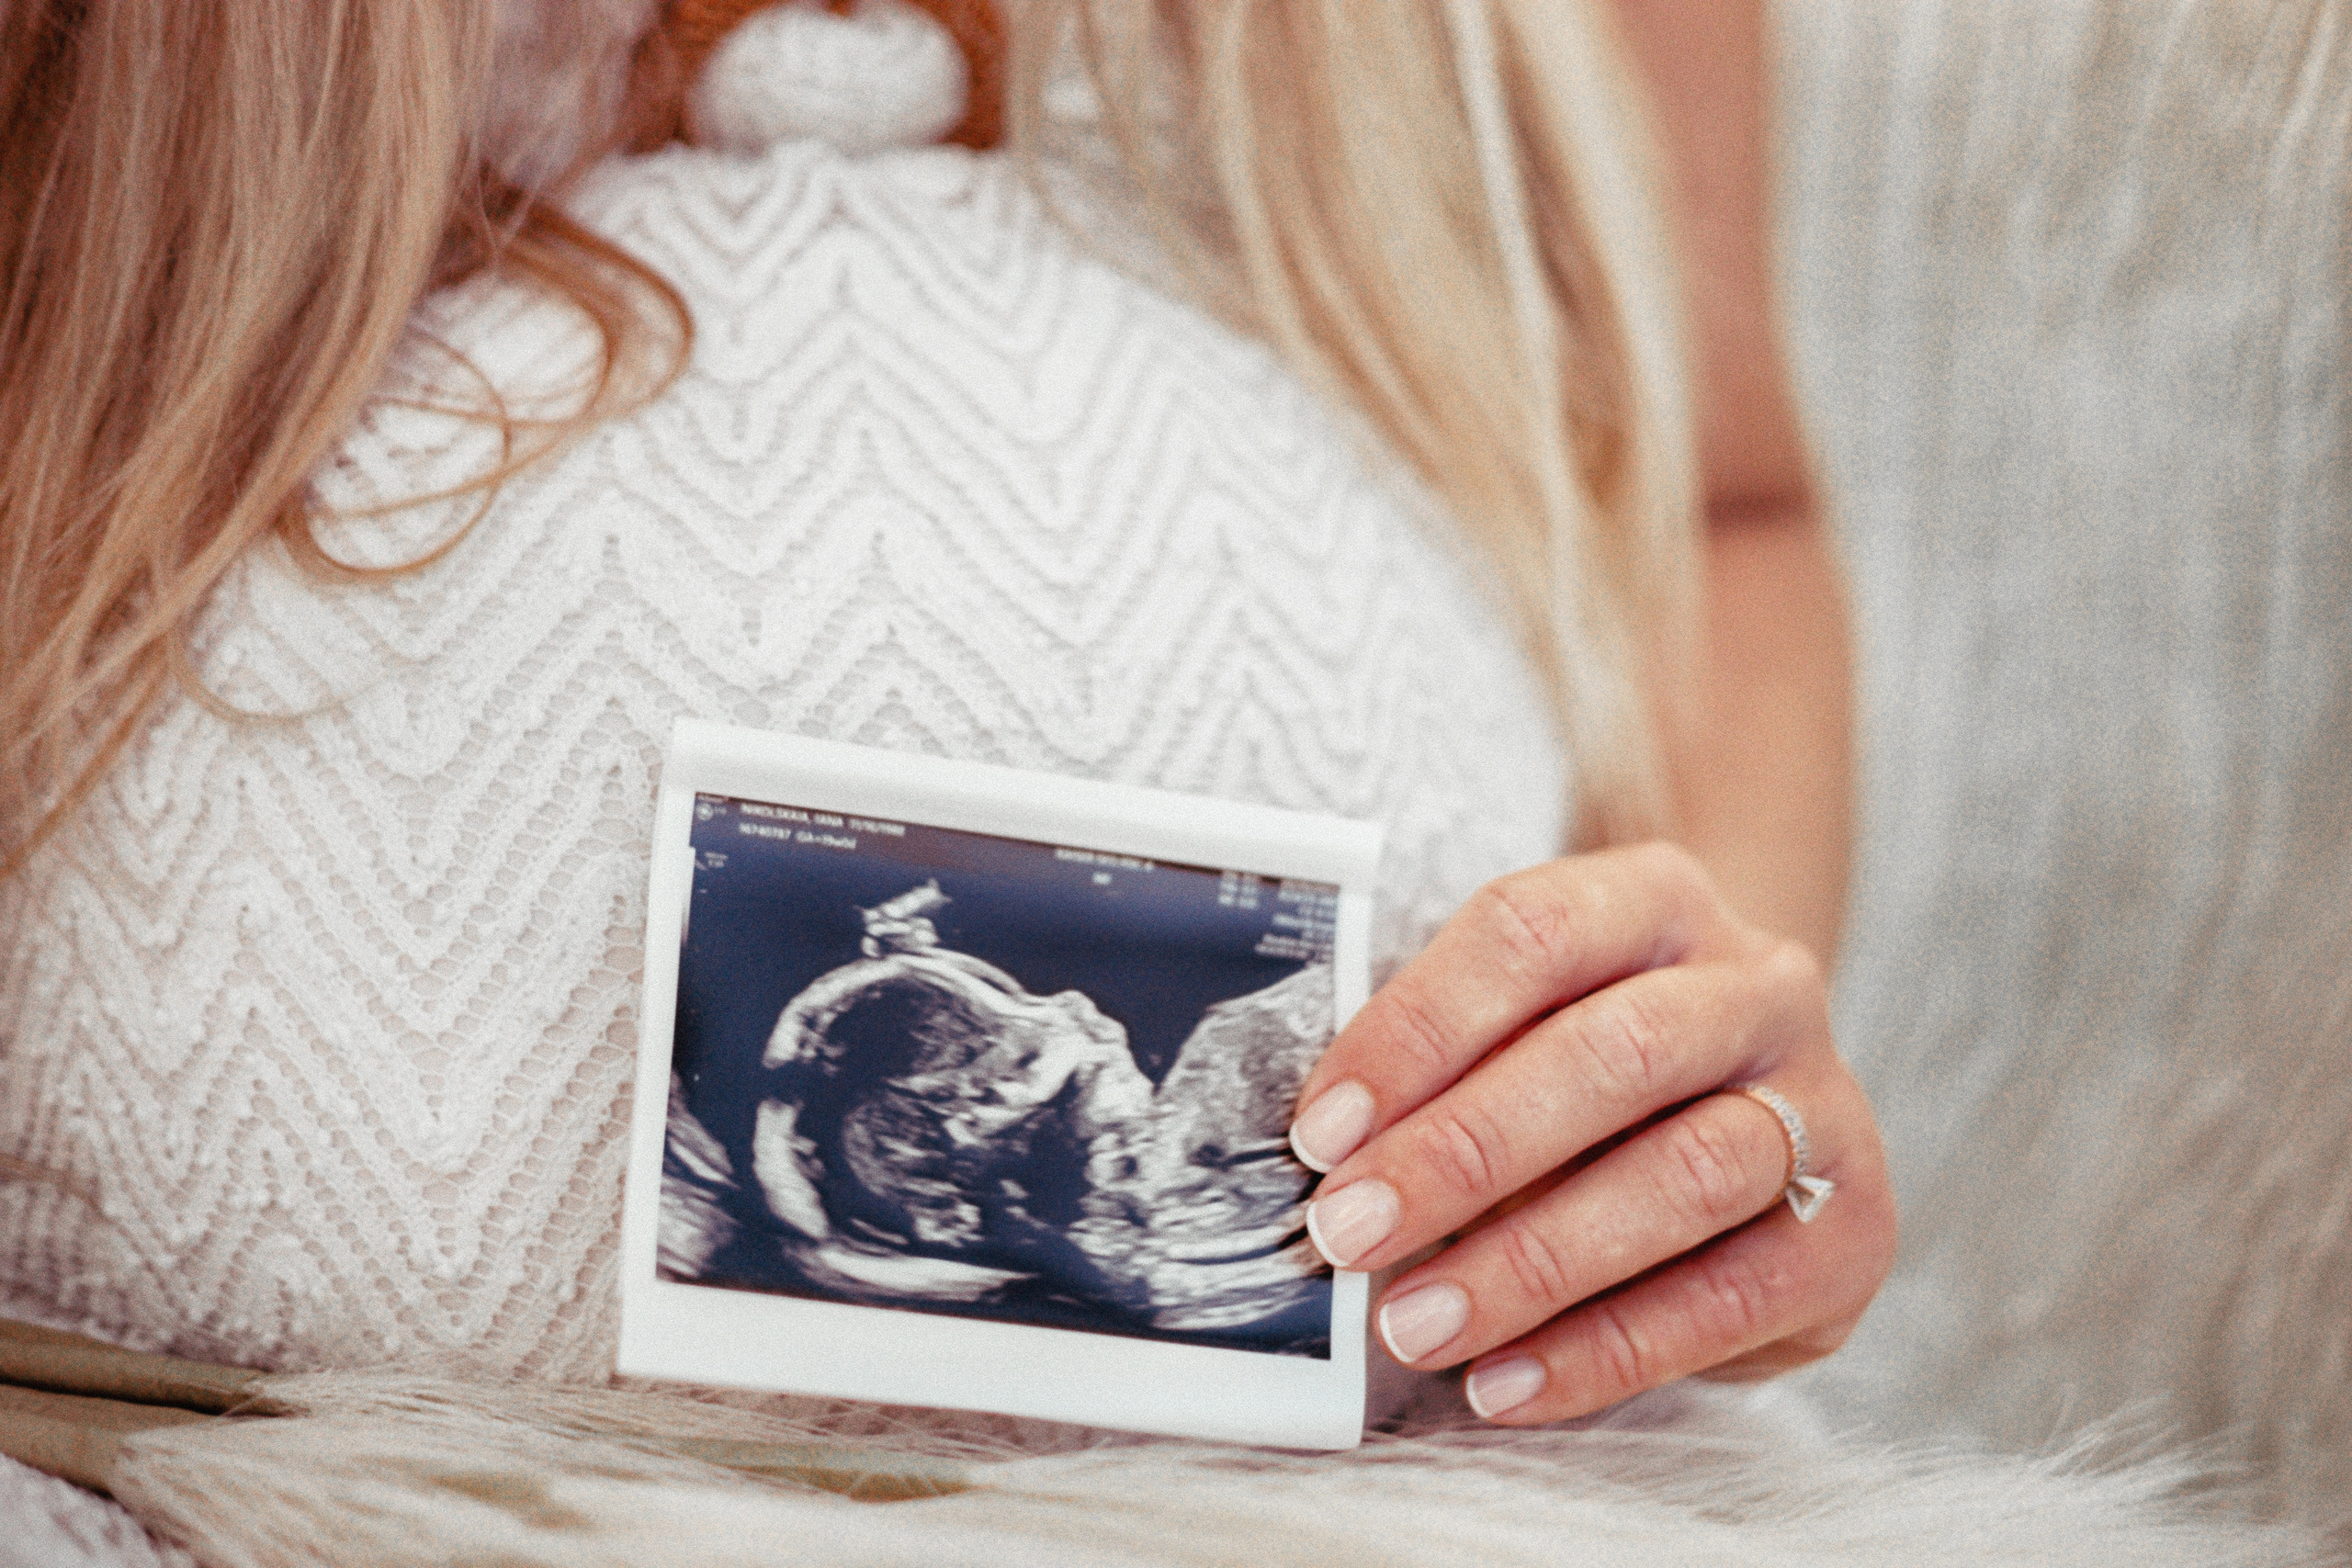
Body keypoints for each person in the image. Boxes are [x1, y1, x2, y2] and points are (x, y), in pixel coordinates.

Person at [0, 0, 1893, 1430]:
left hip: (1409, 1490)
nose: (1068, 1015)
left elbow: (1720, 503)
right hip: (160, 1450)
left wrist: (1683, 1102)